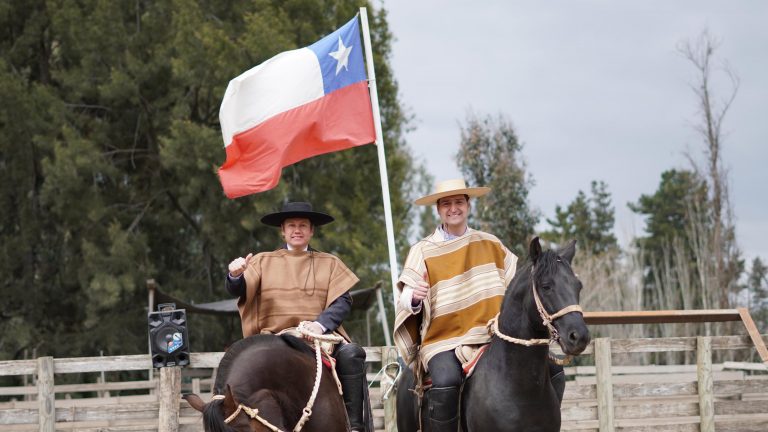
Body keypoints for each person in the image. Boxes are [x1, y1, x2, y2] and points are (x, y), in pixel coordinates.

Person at [394, 179, 566, 432]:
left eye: (459, 202)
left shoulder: (490, 243)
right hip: (444, 339)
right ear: (438, 210)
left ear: (468, 205)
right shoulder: (422, 250)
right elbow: (405, 298)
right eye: (446, 204)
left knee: (553, 370)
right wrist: (415, 297)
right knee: (445, 380)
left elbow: (516, 287)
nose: (453, 208)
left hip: (492, 333)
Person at [225, 201, 367, 431]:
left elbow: (342, 301)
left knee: (352, 354)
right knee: (244, 365)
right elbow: (239, 289)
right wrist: (234, 275)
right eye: (291, 225)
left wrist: (320, 326)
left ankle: (355, 426)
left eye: (303, 225)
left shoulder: (330, 263)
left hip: (319, 339)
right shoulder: (262, 261)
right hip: (274, 338)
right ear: (283, 230)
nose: (297, 230)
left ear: (311, 230)